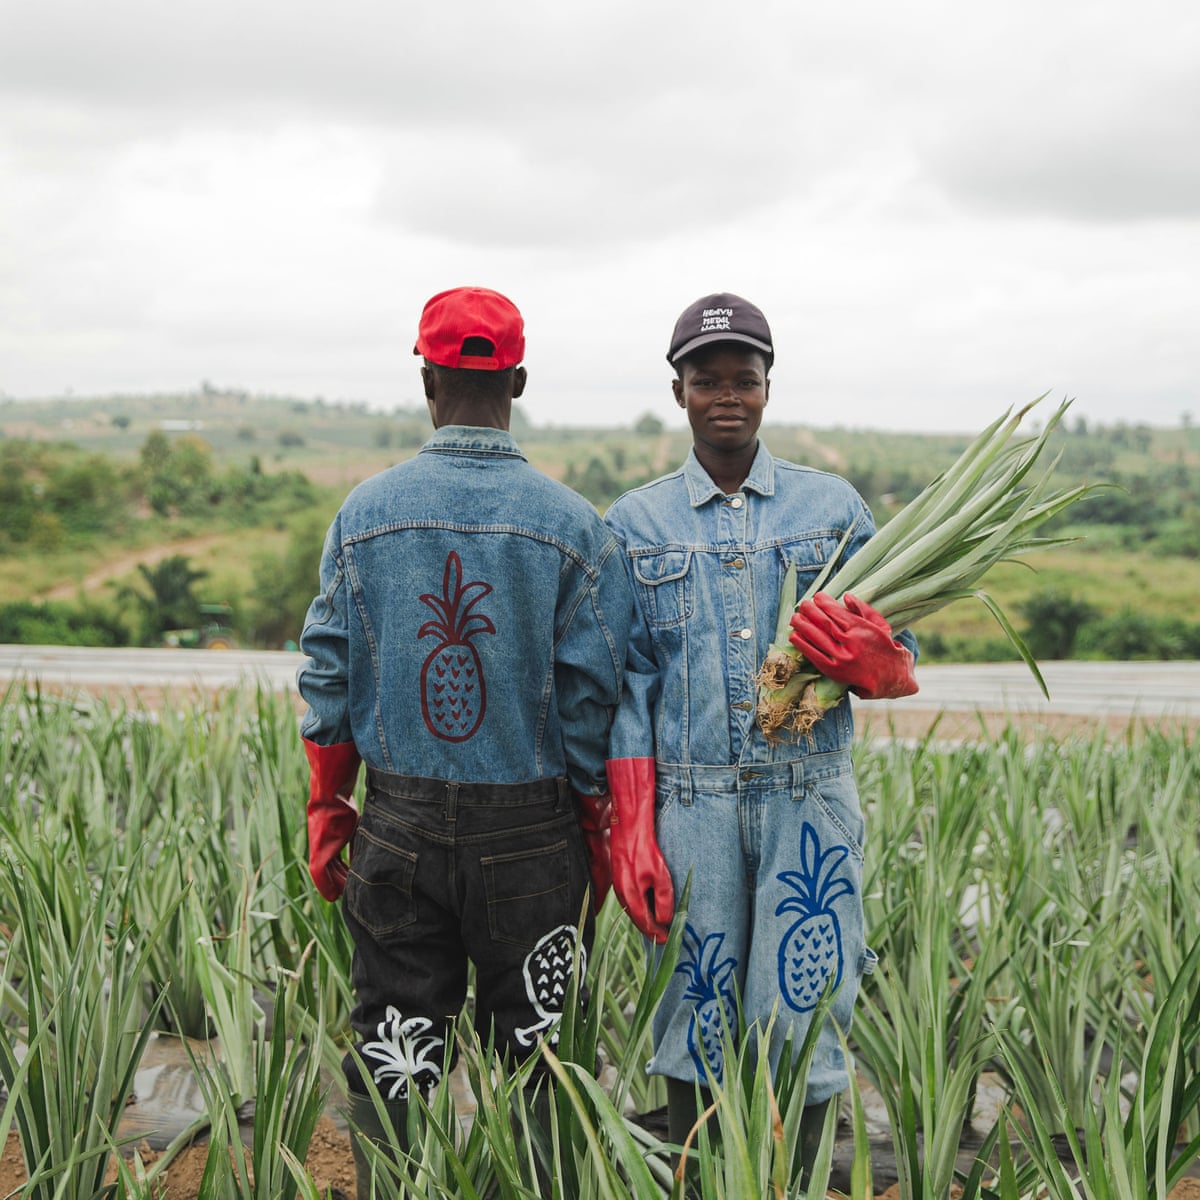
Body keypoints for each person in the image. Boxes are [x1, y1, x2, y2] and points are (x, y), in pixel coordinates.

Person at [296, 286, 632, 1196]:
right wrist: (599, 833)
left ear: (425, 382)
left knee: (394, 1050)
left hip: (396, 828)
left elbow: (327, 675)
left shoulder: (365, 514)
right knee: (539, 1057)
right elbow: (591, 700)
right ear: (518, 381)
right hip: (534, 837)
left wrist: (331, 807)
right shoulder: (572, 525)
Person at [602, 292, 918, 1172]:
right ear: (680, 393)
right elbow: (626, 686)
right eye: (708, 380)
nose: (727, 395)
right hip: (689, 806)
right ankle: (707, 1185)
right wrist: (629, 829)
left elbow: (903, 659)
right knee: (690, 1023)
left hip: (805, 800)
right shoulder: (635, 524)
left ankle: (797, 1184)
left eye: (745, 378)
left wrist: (872, 661)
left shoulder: (834, 510)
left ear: (769, 388)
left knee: (806, 1017)